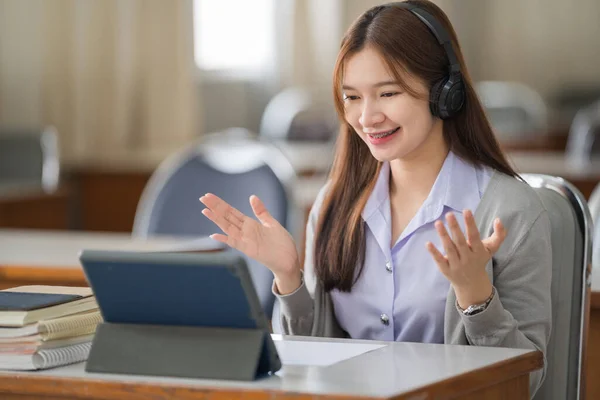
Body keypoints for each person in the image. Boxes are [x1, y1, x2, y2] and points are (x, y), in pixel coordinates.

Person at [199, 0, 551, 395]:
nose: (367, 117)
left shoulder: (510, 211)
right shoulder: (337, 204)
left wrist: (475, 296)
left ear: (444, 92)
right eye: (352, 97)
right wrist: (289, 277)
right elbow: (314, 358)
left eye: (387, 94)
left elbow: (530, 381)